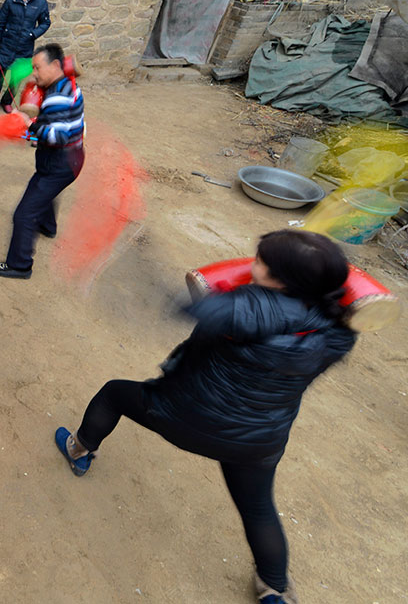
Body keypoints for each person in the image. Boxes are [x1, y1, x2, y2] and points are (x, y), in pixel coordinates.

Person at [53, 230, 357, 604]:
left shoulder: (240, 307)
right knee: (259, 508)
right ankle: (274, 589)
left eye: (260, 261)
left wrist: (128, 255)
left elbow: (173, 304)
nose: (253, 263)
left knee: (115, 392)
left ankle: (79, 449)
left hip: (183, 417)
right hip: (259, 440)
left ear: (282, 279)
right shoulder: (338, 331)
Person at [0, 43, 83, 280]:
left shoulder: (57, 98)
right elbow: (53, 129)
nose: (34, 73)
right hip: (71, 159)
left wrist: (27, 124)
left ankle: (20, 265)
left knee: (24, 214)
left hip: (60, 162)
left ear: (55, 65)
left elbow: (58, 136)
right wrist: (29, 129)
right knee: (45, 191)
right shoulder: (65, 84)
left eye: (38, 67)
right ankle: (48, 226)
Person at [0, 0, 51, 120]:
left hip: (24, 47)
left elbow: (45, 23)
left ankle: (7, 101)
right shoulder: (10, 1)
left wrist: (33, 34)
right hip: (6, 45)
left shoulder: (41, 4)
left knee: (16, 78)